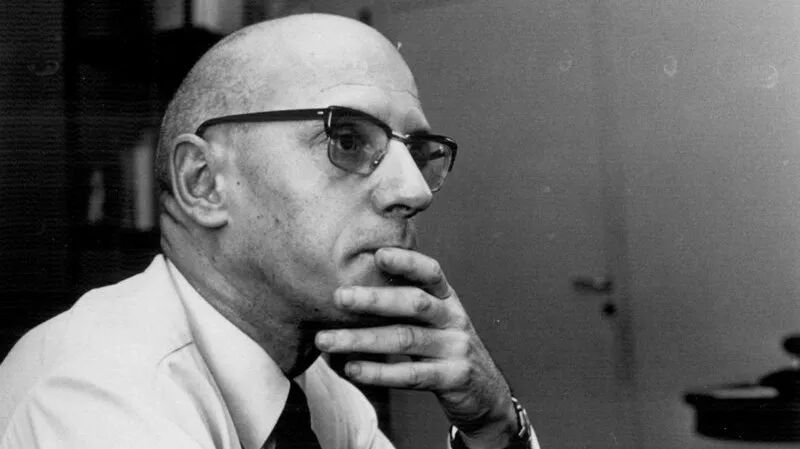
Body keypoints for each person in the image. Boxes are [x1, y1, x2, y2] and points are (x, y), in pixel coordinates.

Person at [0, 13, 539, 449]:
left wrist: (492, 428)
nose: (415, 191)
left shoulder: (314, 391)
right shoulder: (97, 396)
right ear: (204, 183)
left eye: (418, 153)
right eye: (346, 140)